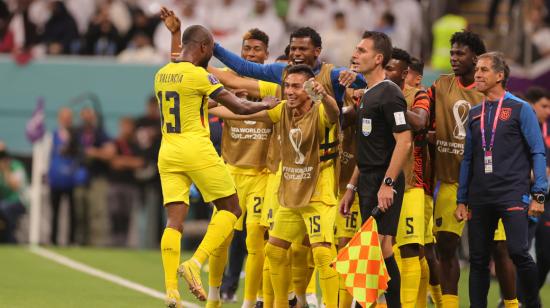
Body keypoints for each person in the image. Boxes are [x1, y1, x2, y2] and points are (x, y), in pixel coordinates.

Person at [154, 24, 279, 308]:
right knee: (231, 209)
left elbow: (195, 102)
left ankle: (171, 291)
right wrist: (266, 104)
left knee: (174, 220)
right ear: (204, 47)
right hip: (195, 149)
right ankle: (195, 263)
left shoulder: (161, 75)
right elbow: (240, 109)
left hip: (168, 151)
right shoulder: (200, 75)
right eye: (211, 49)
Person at [210, 64, 341, 308]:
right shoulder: (281, 111)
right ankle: (285, 303)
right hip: (291, 193)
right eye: (287, 86)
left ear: (310, 88)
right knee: (275, 250)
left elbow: (334, 115)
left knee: (322, 253)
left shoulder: (321, 111)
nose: (289, 91)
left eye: (295, 86)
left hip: (318, 193)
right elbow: (242, 113)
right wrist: (203, 106)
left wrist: (324, 96)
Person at [427, 30, 516, 307]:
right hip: (451, 182)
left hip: (486, 185)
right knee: (445, 247)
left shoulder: (491, 94)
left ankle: (511, 303)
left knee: (499, 248)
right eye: (452, 53)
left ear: (475, 58)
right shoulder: (440, 86)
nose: (453, 58)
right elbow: (422, 114)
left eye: (459, 53)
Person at [456, 51, 546, 308]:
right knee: (478, 260)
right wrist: (462, 199)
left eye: (484, 70)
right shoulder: (474, 113)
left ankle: (532, 304)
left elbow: (538, 151)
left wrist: (539, 193)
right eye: (477, 71)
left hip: (512, 194)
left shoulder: (521, 109)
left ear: (500, 75)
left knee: (518, 252)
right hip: (480, 197)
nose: (478, 75)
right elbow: (468, 159)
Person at [340, 31, 413, 308]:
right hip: (368, 179)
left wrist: (388, 183)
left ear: (378, 58)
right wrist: (351, 186)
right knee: (377, 250)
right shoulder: (368, 94)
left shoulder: (390, 94)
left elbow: (404, 141)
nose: (355, 55)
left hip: (385, 181)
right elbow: (367, 149)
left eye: (361, 50)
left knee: (377, 249)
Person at [210, 26, 367, 109]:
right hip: (290, 154)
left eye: (302, 49)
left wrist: (356, 77)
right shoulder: (281, 71)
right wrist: (212, 46)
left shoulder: (333, 74)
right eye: (293, 48)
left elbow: (365, 83)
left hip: (324, 156)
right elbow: (244, 67)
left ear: (317, 51)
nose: (296, 53)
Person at [384, 47, 432, 308]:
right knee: (378, 249)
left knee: (412, 249)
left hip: (410, 184)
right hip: (377, 182)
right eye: (386, 67)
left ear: (405, 73)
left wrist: (392, 108)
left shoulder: (418, 94)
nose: (387, 72)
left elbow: (421, 121)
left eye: (392, 68)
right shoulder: (372, 93)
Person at [108, 117, 144, 247]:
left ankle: (124, 243)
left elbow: (139, 162)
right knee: (115, 213)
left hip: (130, 185)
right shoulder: (115, 143)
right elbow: (112, 161)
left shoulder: (135, 145)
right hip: (116, 184)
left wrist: (122, 161)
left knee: (127, 215)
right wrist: (129, 162)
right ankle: (114, 241)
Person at [48, 107, 78, 245]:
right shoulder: (52, 135)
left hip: (71, 179)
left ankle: (71, 239)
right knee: (55, 211)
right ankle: (53, 239)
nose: (67, 120)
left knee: (73, 211)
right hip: (56, 179)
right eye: (64, 117)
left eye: (69, 117)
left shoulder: (76, 135)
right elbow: (48, 156)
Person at [0, 141, 27, 243]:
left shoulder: (16, 165)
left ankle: (10, 239)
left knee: (4, 209)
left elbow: (16, 186)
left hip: (18, 201)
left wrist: (5, 169)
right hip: (3, 203)